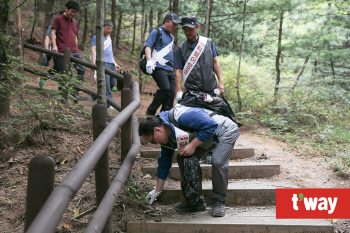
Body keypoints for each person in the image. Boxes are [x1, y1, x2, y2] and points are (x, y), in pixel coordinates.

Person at [139, 104, 240, 217]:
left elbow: (210, 125)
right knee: (183, 156)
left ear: (157, 130)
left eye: (153, 141)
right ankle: (195, 201)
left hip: (225, 131)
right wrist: (157, 191)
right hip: (207, 137)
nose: (156, 144)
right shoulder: (167, 139)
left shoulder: (181, 116)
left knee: (217, 162)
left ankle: (219, 201)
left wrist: (192, 145)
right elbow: (164, 163)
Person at [174, 16, 224, 101]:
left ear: (197, 27)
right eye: (185, 29)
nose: (188, 32)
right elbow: (178, 71)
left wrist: (221, 81)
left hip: (210, 90)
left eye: (190, 29)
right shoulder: (181, 49)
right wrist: (178, 91)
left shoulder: (208, 43)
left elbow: (215, 62)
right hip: (191, 93)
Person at [144, 13, 180, 117]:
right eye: (173, 24)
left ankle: (164, 115)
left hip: (169, 69)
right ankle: (150, 112)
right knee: (165, 88)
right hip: (158, 67)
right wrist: (149, 60)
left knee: (171, 93)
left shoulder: (172, 38)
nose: (175, 27)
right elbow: (148, 46)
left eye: (176, 25)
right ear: (166, 21)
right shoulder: (157, 32)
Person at [51, 0, 85, 100]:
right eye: (72, 12)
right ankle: (62, 93)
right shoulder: (58, 19)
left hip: (75, 51)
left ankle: (75, 91)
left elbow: (75, 36)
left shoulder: (74, 23)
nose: (73, 14)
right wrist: (54, 46)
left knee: (82, 69)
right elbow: (53, 32)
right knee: (66, 72)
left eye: (75, 13)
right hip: (63, 49)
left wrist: (76, 46)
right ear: (66, 9)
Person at [90, 20, 121, 108]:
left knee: (111, 83)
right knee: (106, 83)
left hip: (111, 63)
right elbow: (93, 50)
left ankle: (95, 95)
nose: (109, 30)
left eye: (110, 29)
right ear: (102, 27)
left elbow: (110, 52)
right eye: (107, 28)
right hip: (103, 62)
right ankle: (110, 103)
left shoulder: (109, 38)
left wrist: (115, 63)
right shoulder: (97, 37)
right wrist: (93, 63)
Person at [39, 10, 66, 87]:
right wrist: (47, 48)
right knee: (58, 67)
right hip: (56, 50)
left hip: (65, 50)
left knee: (65, 68)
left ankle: (63, 87)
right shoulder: (53, 25)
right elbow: (47, 37)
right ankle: (44, 78)